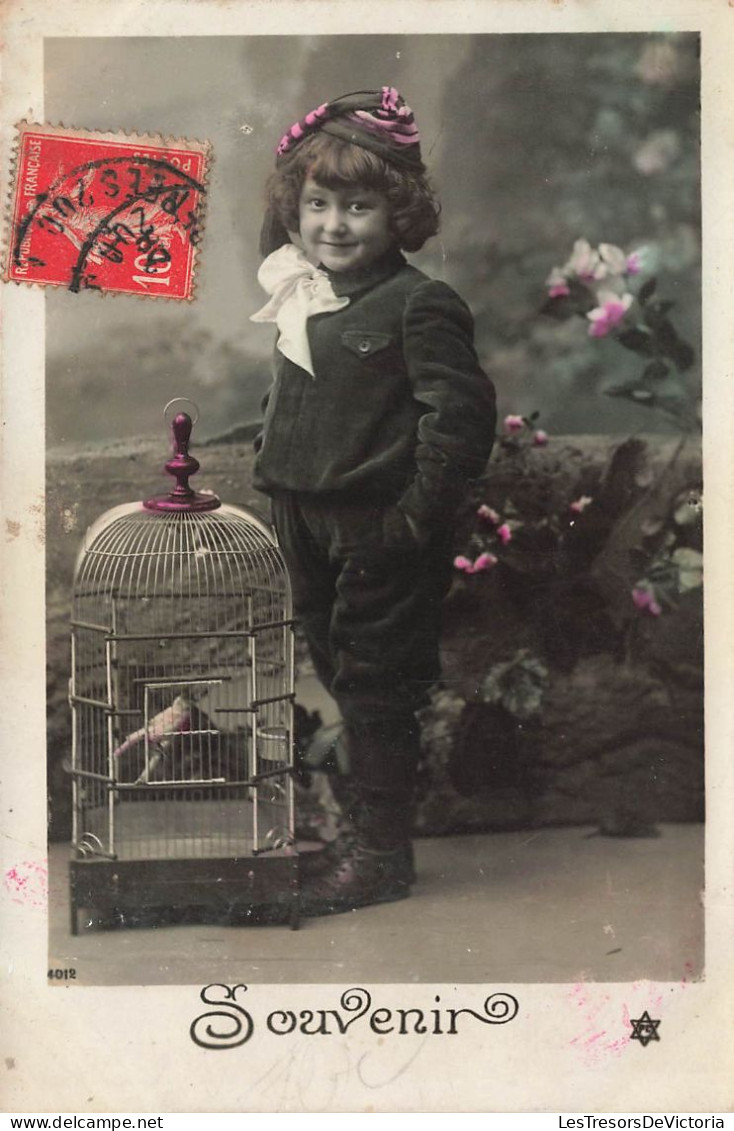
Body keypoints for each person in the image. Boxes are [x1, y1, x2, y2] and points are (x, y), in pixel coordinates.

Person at [250, 87, 497, 916]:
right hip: (302, 516)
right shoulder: (306, 289)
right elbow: (301, 393)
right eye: (316, 204)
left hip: (378, 528)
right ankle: (359, 834)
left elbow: (458, 420)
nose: (334, 225)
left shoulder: (417, 304)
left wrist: (413, 521)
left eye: (359, 207)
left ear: (400, 214)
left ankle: (383, 855)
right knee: (335, 669)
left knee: (377, 685)